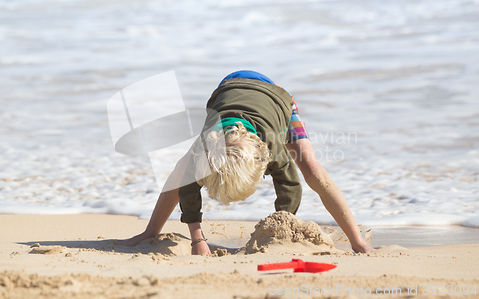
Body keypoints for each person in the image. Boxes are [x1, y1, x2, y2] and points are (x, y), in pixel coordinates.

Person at [120, 70, 374, 254]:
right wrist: (198, 240)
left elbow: (291, 185)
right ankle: (150, 231)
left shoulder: (273, 146)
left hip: (278, 98)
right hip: (227, 87)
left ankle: (357, 240)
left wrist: (281, 226)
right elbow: (187, 185)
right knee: (181, 170)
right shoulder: (205, 149)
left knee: (311, 169)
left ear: (263, 161)